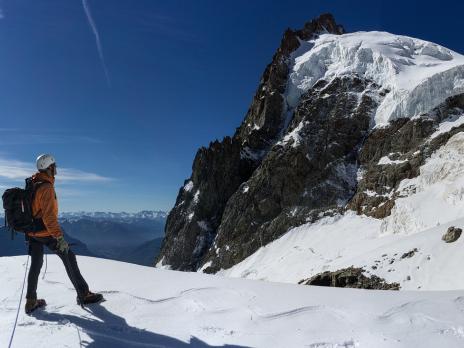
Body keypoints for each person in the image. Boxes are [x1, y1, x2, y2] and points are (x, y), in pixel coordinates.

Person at [24, 154, 103, 314]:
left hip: (32, 232)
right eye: (54, 166)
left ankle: (31, 301)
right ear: (49, 168)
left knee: (36, 265)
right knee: (69, 257)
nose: (56, 169)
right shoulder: (46, 187)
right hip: (45, 231)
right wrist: (59, 238)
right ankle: (83, 294)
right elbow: (49, 217)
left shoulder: (33, 183)